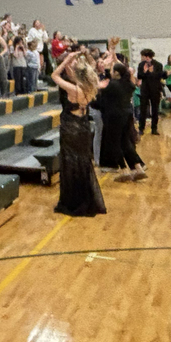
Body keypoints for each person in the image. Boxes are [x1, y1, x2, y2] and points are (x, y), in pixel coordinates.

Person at [51, 51, 107, 217]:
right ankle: (85, 197)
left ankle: (72, 201)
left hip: (70, 128)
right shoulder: (89, 87)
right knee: (82, 162)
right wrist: (71, 65)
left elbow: (54, 75)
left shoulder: (74, 89)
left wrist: (65, 61)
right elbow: (73, 76)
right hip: (83, 127)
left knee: (69, 163)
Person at [97, 62, 147, 182]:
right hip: (126, 115)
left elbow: (100, 102)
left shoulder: (112, 85)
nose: (110, 72)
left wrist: (97, 89)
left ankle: (124, 170)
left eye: (112, 70)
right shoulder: (129, 84)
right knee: (125, 142)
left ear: (116, 73)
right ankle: (138, 168)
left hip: (114, 116)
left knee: (115, 143)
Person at [135, 49, 165, 135]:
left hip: (155, 89)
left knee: (155, 109)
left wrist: (152, 72)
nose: (142, 58)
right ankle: (141, 128)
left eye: (143, 56)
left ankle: (154, 128)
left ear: (147, 56)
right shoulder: (141, 65)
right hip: (145, 89)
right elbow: (139, 76)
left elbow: (159, 76)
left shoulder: (158, 65)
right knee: (143, 109)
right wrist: (145, 71)